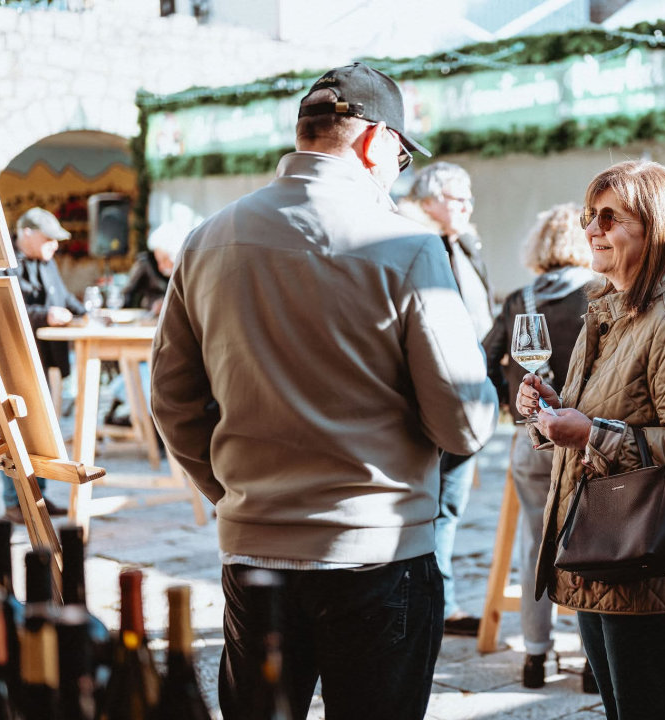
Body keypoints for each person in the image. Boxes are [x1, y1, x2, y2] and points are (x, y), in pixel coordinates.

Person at [150, 63, 498, 720]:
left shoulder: (207, 239)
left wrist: (235, 494)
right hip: (377, 550)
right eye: (401, 156)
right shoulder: (407, 244)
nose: (397, 172)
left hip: (254, 547)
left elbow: (170, 401)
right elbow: (462, 423)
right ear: (374, 141)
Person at [516, 161, 665, 720]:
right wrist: (551, 412)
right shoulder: (614, 311)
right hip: (607, 555)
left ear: (657, 229)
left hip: (652, 561)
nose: (592, 228)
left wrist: (590, 432)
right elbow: (610, 415)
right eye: (591, 215)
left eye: (611, 217)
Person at [483, 203, 597, 690]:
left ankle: (535, 655)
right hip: (588, 437)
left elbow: (484, 358)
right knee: (594, 545)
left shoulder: (520, 299)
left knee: (535, 543)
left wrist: (510, 405)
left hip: (530, 439)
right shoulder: (600, 293)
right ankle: (593, 661)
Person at [399, 161, 495, 635]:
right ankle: (425, 606)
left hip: (470, 390)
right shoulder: (413, 244)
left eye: (469, 198)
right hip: (431, 392)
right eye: (457, 198)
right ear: (428, 201)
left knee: (450, 507)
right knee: (426, 508)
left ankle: (442, 602)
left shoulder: (465, 244)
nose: (466, 207)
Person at [0, 207, 83, 523]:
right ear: (27, 234)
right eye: (49, 239)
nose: (54, 246)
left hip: (42, 356)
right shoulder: (4, 261)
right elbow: (5, 308)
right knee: (17, 428)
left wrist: (86, 312)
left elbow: (62, 297)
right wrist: (44, 315)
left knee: (40, 427)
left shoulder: (46, 262)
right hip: (13, 356)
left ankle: (37, 497)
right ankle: (15, 502)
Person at [106, 220, 189, 427]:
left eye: (166, 260)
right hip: (149, 325)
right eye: (159, 259)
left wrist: (169, 302)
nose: (161, 266)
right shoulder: (145, 263)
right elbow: (127, 295)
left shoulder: (186, 267)